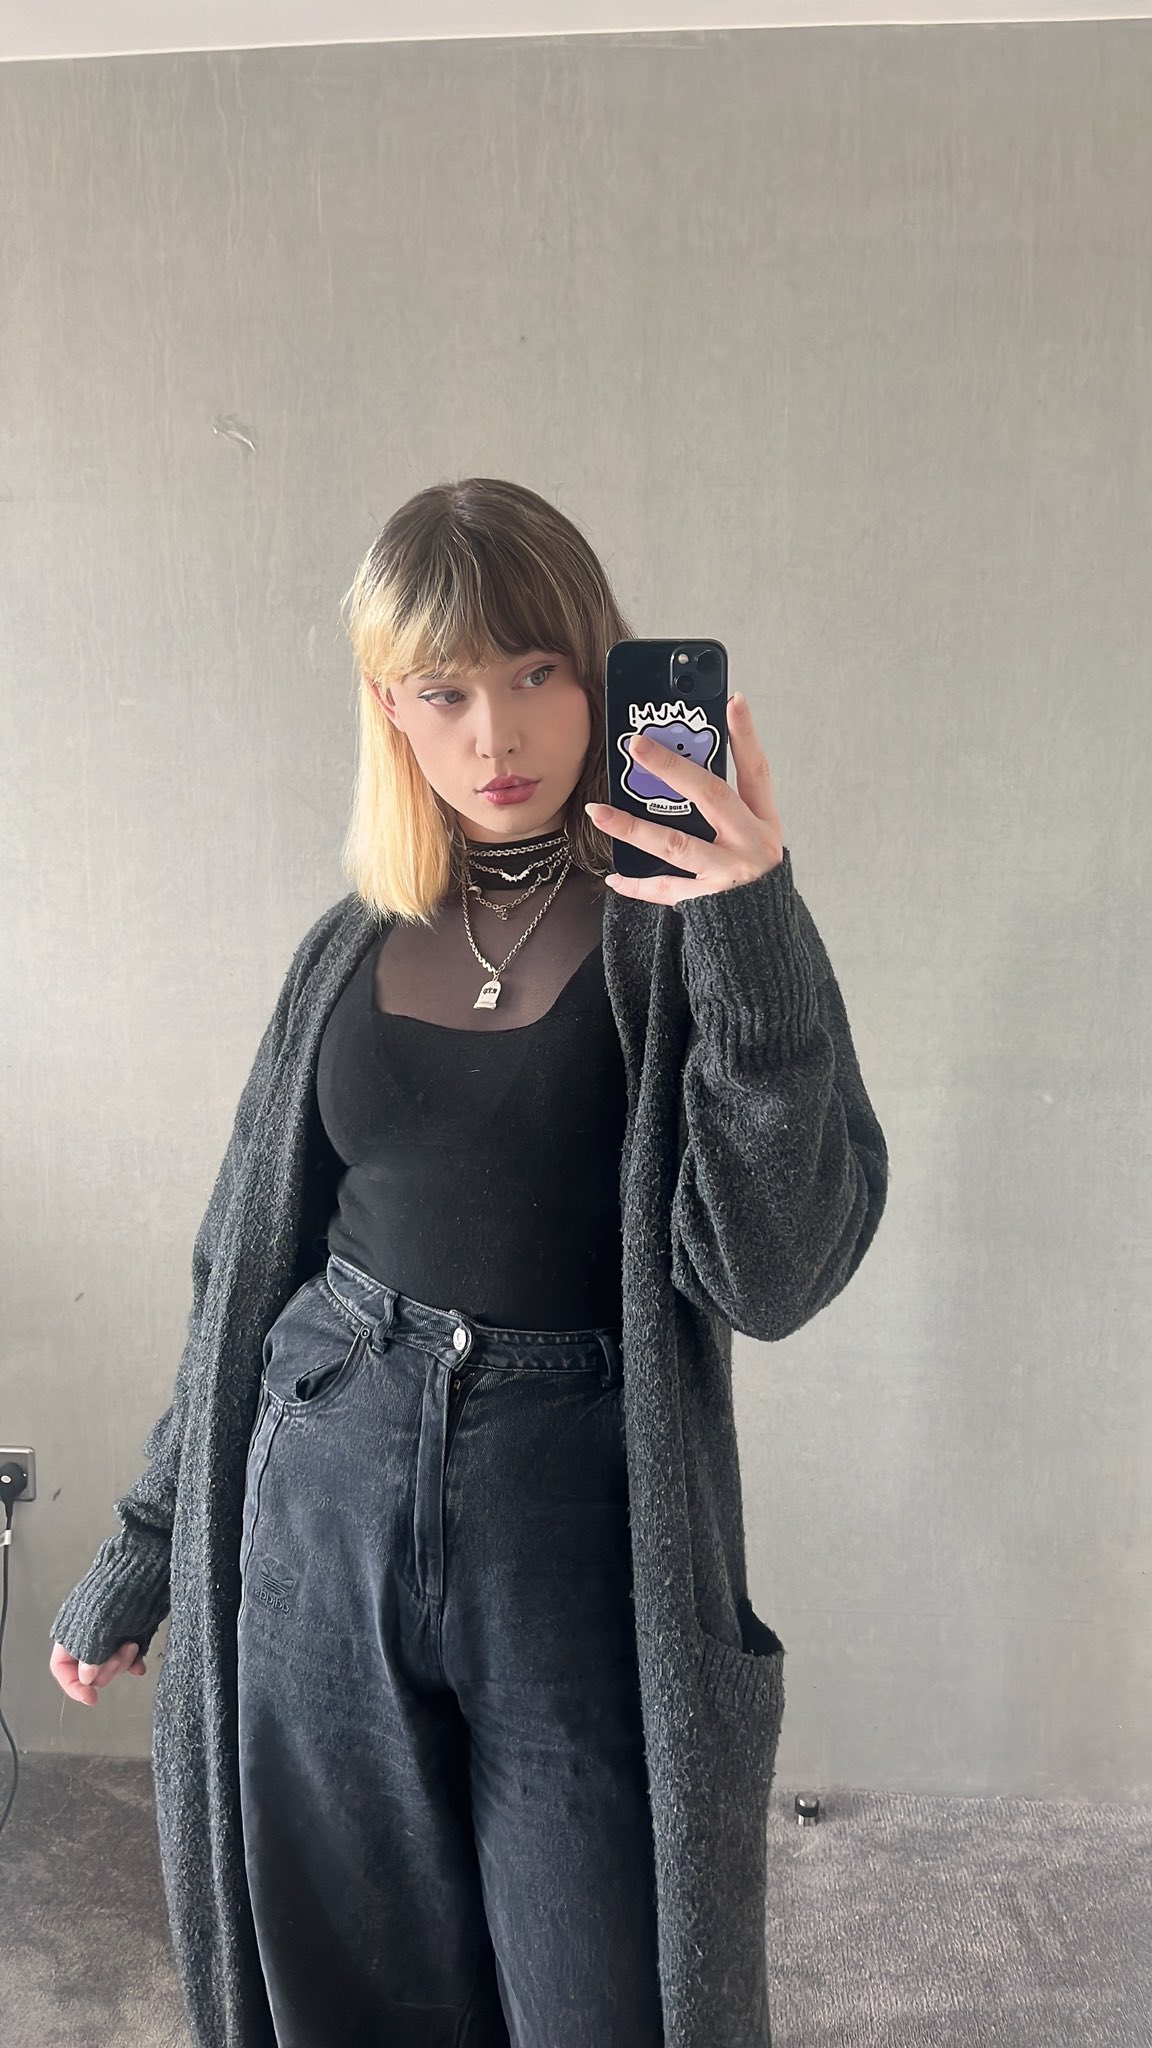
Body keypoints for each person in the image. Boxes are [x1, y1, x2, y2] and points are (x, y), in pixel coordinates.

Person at [50, 476, 890, 2048]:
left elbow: (775, 1271)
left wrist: (753, 919)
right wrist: (154, 1536)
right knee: (347, 1991)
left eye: (536, 672)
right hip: (317, 1495)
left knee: (602, 1997)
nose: (496, 734)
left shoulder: (683, 931)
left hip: (570, 1525)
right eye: (444, 691)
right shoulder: (348, 946)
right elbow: (240, 1270)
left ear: (602, 670)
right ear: (390, 709)